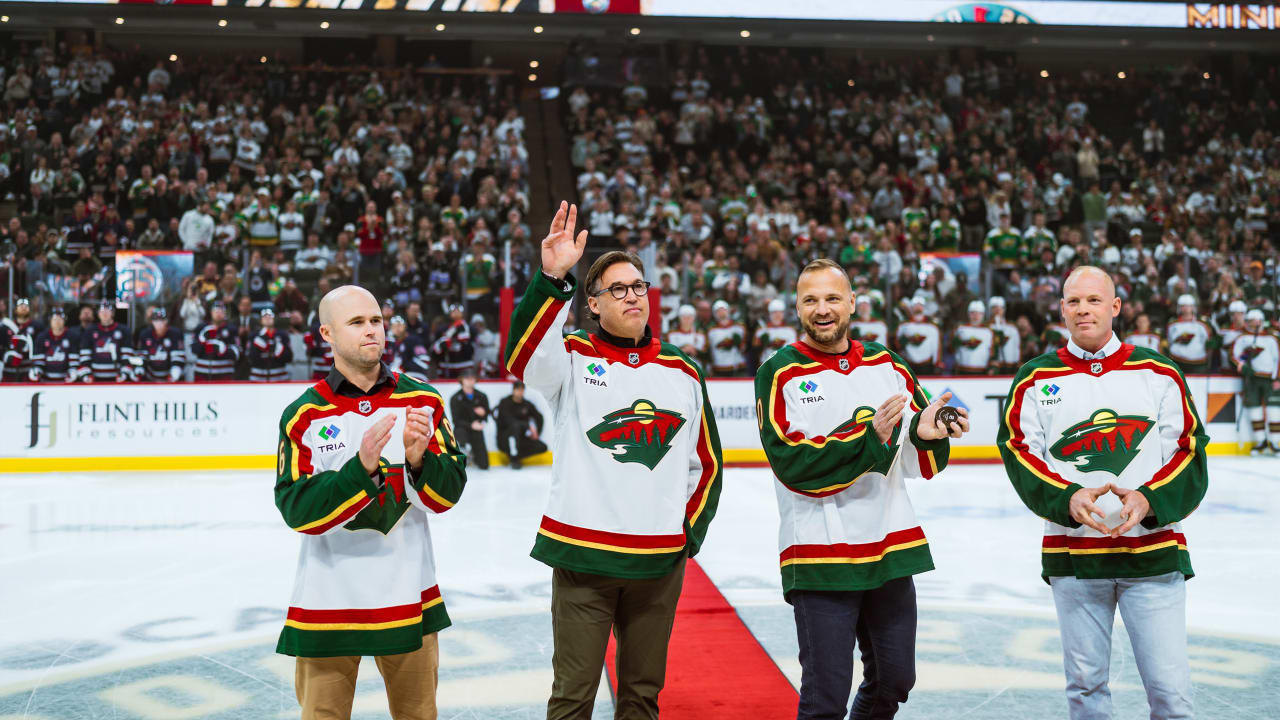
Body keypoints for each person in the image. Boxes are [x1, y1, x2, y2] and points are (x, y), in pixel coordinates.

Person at [503, 202, 722, 720]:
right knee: (573, 697)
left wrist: (684, 535)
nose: (632, 296)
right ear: (593, 305)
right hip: (583, 560)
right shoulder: (571, 357)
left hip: (658, 565)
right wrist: (552, 279)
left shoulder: (683, 370)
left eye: (638, 286)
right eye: (617, 289)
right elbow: (523, 358)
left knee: (642, 696)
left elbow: (706, 465)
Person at [755, 257, 968, 720]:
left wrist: (927, 434)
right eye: (811, 300)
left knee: (895, 680)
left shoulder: (887, 364)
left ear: (852, 302)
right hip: (820, 554)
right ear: (797, 307)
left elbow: (916, 453)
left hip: (890, 547)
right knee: (825, 699)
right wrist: (870, 438)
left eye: (833, 298)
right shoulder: (779, 372)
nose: (823, 309)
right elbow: (793, 464)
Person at [997, 265, 1208, 720]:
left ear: (1115, 307)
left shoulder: (1157, 371)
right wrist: (1066, 497)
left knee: (1171, 694)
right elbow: (1017, 450)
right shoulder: (1035, 377)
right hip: (1074, 558)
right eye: (1073, 301)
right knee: (1086, 689)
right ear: (1062, 310)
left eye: (1094, 300)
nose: (1083, 309)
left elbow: (1189, 449)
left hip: (1152, 554)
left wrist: (1149, 498)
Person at [274, 284, 468, 720]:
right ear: (327, 333)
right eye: (357, 322)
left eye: (376, 320)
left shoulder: (422, 400)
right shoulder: (304, 415)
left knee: (419, 715)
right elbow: (297, 510)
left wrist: (419, 462)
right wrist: (360, 471)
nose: (371, 330)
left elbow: (448, 495)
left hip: (409, 595)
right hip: (327, 602)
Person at [1231, 308, 1280, 455]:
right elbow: (1235, 356)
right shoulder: (1242, 338)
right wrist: (1242, 367)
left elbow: (1278, 359)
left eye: (1257, 320)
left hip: (1269, 379)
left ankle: (1275, 443)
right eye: (1252, 321)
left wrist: (1278, 378)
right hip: (1251, 379)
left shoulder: (1272, 338)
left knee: (1273, 411)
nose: (1255, 323)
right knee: (1254, 410)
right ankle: (1261, 442)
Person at [494, 381, 547, 469]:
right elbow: (509, 421)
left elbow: (539, 417)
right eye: (518, 389)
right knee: (515, 427)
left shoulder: (527, 404)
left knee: (542, 447)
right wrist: (528, 426)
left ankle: (515, 456)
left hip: (521, 439)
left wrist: (537, 432)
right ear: (513, 390)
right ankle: (514, 459)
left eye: (522, 390)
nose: (520, 392)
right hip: (505, 439)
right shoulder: (505, 403)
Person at [79, 300, 134, 382]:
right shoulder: (90, 331)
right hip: (95, 379)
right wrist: (86, 374)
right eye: (102, 311)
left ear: (112, 313)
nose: (104, 313)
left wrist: (124, 373)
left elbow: (127, 356)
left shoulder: (124, 330)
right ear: (98, 314)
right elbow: (85, 356)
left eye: (107, 310)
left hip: (118, 379)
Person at [449, 369, 490, 470]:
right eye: (467, 378)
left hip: (477, 429)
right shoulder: (455, 398)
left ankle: (474, 453)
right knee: (460, 433)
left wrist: (483, 414)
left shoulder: (482, 396)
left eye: (472, 378)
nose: (470, 381)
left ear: (475, 380)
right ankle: (463, 449)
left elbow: (487, 414)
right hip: (462, 428)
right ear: (461, 380)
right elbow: (456, 420)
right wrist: (471, 425)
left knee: (484, 465)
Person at [134, 307, 187, 382]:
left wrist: (175, 372)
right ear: (152, 322)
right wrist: (139, 370)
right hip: (150, 378)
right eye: (156, 320)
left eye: (161, 320)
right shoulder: (145, 334)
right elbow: (141, 356)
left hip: (171, 379)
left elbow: (178, 357)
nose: (159, 323)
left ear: (166, 321)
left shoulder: (175, 334)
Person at [192, 301, 240, 381]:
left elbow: (237, 354)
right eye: (216, 311)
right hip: (202, 374)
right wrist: (202, 340)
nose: (218, 314)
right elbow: (194, 350)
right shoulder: (201, 328)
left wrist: (223, 349)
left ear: (225, 313)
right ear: (211, 312)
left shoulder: (231, 329)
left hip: (224, 375)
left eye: (221, 311)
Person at [1165, 294, 1213, 374]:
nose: (1186, 308)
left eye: (1188, 306)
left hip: (1198, 362)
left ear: (1193, 307)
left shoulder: (1203, 324)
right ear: (1179, 308)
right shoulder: (1172, 323)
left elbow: (1208, 343)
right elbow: (1169, 341)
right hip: (1177, 360)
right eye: (1183, 306)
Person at [29, 307, 76, 383]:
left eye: (60, 319)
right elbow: (38, 362)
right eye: (55, 319)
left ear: (64, 321)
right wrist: (37, 371)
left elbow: (74, 362)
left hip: (65, 383)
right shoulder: (42, 337)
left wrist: (72, 372)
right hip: (45, 382)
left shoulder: (72, 336)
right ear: (50, 321)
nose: (57, 322)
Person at [248, 308, 293, 382]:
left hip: (279, 376)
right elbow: (251, 357)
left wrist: (276, 348)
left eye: (270, 316)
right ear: (260, 320)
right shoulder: (254, 335)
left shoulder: (282, 335)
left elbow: (289, 357)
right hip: (258, 377)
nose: (267, 318)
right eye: (265, 317)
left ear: (274, 319)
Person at [951, 299, 995, 375]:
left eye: (979, 313)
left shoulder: (989, 331)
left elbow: (993, 352)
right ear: (968, 314)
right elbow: (951, 348)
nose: (975, 316)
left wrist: (992, 367)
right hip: (962, 370)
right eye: (972, 313)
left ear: (983, 315)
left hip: (982, 371)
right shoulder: (960, 329)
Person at [431, 304, 474, 378]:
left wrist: (463, 341)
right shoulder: (442, 329)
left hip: (465, 364)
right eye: (454, 312)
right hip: (447, 365)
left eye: (458, 312)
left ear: (463, 314)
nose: (456, 314)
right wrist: (442, 345)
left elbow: (473, 347)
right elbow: (435, 349)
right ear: (449, 314)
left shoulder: (470, 329)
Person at [706, 299, 746, 376]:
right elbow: (709, 350)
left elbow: (744, 348)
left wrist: (740, 344)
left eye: (723, 310)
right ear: (714, 314)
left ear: (728, 311)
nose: (721, 313)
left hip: (738, 367)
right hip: (719, 368)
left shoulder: (739, 327)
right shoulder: (711, 330)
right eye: (718, 311)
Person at [754, 298, 797, 367]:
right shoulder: (761, 331)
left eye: (780, 312)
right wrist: (761, 343)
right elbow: (754, 352)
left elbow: (794, 352)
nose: (777, 315)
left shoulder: (791, 330)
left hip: (785, 366)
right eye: (774, 312)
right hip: (767, 366)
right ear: (769, 314)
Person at [387, 315, 432, 381]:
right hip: (399, 378)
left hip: (416, 377)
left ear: (405, 326)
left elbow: (425, 361)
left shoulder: (414, 340)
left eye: (399, 325)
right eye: (394, 326)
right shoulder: (392, 344)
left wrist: (404, 366)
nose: (397, 329)